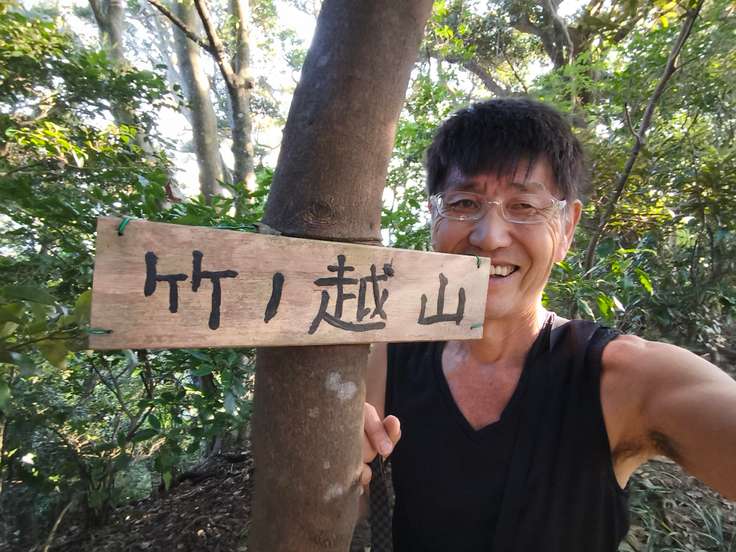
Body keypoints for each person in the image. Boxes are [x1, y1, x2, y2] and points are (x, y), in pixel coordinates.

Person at [360, 97, 736, 551]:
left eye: (523, 205)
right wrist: (342, 456)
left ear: (566, 229)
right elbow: (340, 502)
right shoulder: (394, 355)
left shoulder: (623, 380)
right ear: (434, 218)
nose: (489, 237)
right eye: (463, 203)